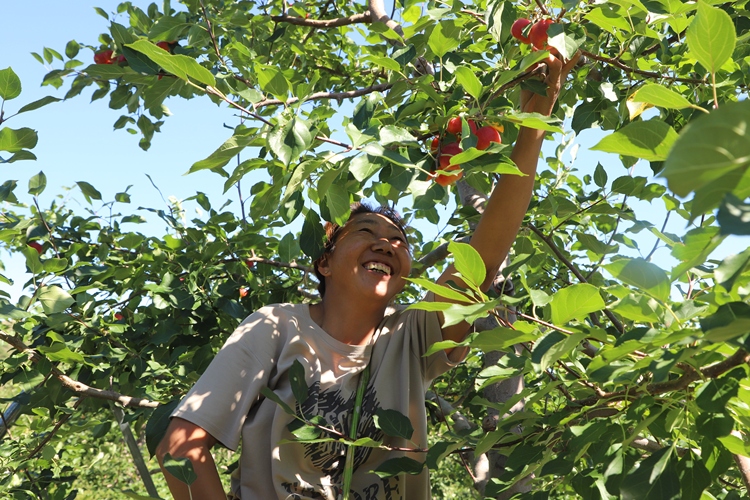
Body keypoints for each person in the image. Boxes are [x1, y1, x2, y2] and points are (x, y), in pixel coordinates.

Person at [156, 52, 580, 500]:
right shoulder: (276, 326)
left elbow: (485, 256)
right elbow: (181, 448)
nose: (388, 244)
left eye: (401, 242)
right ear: (324, 261)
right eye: (366, 232)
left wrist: (534, 121)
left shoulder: (411, 335)